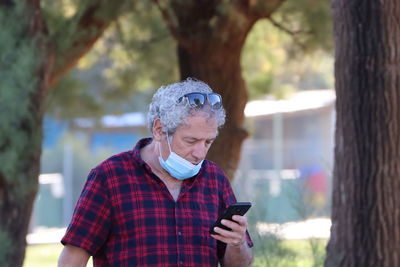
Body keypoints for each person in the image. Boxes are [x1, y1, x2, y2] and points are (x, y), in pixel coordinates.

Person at [58, 78, 253, 267]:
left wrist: (237, 243)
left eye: (208, 142)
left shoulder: (214, 179)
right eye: (191, 141)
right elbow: (72, 260)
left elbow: (239, 264)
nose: (200, 153)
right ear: (159, 130)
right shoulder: (110, 177)